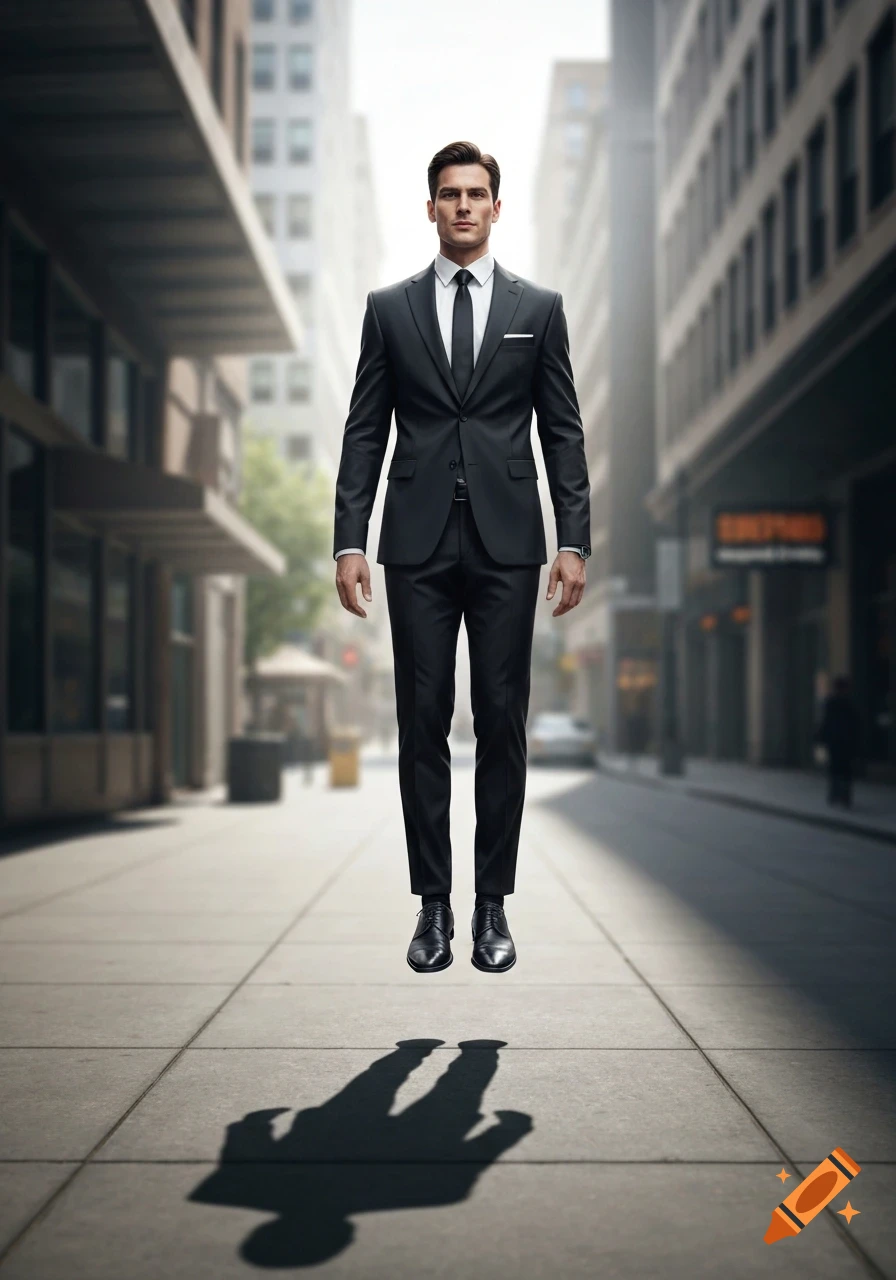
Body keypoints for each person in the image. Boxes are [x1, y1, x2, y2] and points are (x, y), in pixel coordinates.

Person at [332, 141, 590, 974]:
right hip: (415, 544)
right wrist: (349, 539)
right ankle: (433, 906)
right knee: (422, 722)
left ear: (496, 207)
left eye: (477, 194)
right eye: (450, 194)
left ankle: (492, 906)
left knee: (503, 721)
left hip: (509, 542)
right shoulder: (389, 309)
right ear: (432, 208)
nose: (464, 206)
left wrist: (573, 540)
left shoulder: (538, 308)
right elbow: (365, 429)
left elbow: (562, 431)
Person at [816, 675, 861, 809]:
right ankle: (844, 796)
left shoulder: (831, 703)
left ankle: (835, 795)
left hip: (835, 741)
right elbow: (856, 724)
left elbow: (826, 722)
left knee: (835, 768)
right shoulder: (849, 704)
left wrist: (821, 737)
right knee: (845, 770)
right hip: (845, 742)